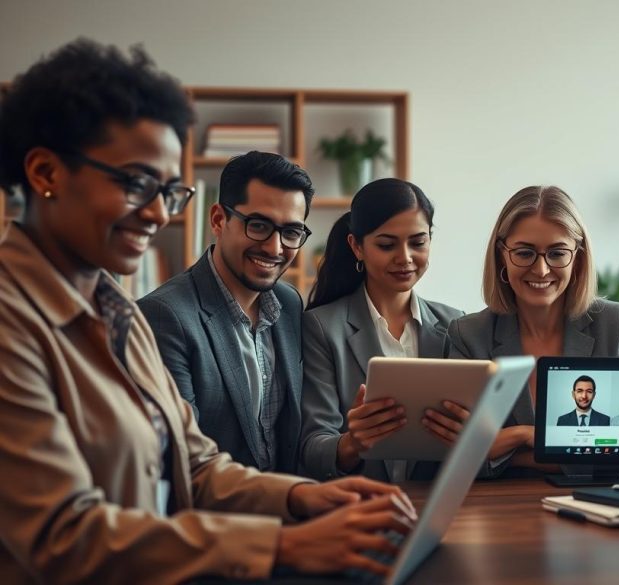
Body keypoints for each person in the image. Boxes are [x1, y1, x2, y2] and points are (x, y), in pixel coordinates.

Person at [0, 39, 414, 584]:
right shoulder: (16, 323)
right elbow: (63, 536)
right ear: (45, 173)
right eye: (135, 183)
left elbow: (195, 462)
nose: (156, 213)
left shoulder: (114, 310)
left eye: (168, 191)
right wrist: (282, 544)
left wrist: (304, 496)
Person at [441, 185, 619, 477]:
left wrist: (521, 436)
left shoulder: (616, 323)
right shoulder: (469, 335)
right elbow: (461, 455)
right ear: (502, 255)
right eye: (524, 253)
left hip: (602, 506)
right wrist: (578, 449)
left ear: (577, 257)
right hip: (506, 512)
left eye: (557, 253)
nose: (541, 269)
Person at [139, 151, 312, 474]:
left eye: (291, 232)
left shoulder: (290, 304)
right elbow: (181, 459)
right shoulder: (164, 316)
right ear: (218, 219)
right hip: (213, 517)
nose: (275, 248)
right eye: (258, 225)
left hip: (291, 513)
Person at [300, 178, 463, 482]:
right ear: (356, 247)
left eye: (418, 242)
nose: (405, 257)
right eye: (386, 245)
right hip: (356, 509)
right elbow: (312, 447)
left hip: (436, 506)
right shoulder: (322, 328)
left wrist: (469, 434)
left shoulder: (457, 326)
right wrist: (351, 444)